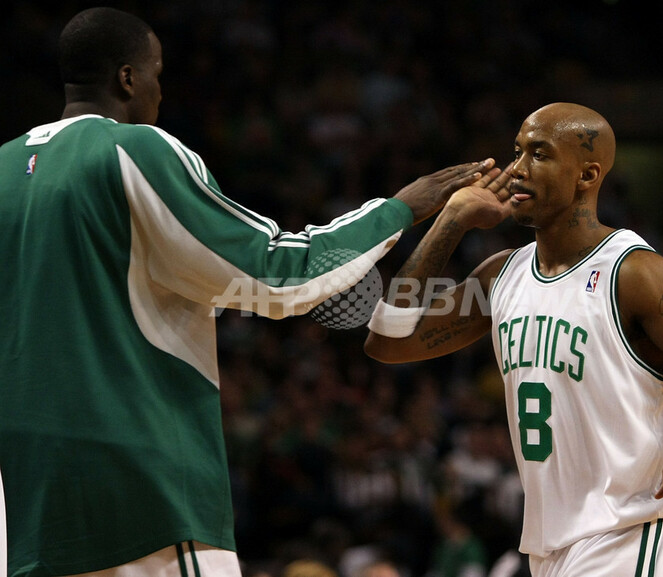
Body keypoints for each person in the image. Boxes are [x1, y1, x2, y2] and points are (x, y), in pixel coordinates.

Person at [0, 7, 496, 577]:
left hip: (24, 500)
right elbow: (278, 274)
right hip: (141, 490)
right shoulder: (134, 149)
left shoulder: (4, 168)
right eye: (157, 72)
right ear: (127, 78)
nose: (161, 90)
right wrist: (401, 208)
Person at [365, 102, 663, 576]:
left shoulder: (634, 273)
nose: (517, 168)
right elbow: (389, 343)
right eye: (517, 151)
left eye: (539, 154)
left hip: (633, 530)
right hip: (554, 545)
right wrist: (452, 219)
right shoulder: (502, 275)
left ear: (587, 174)